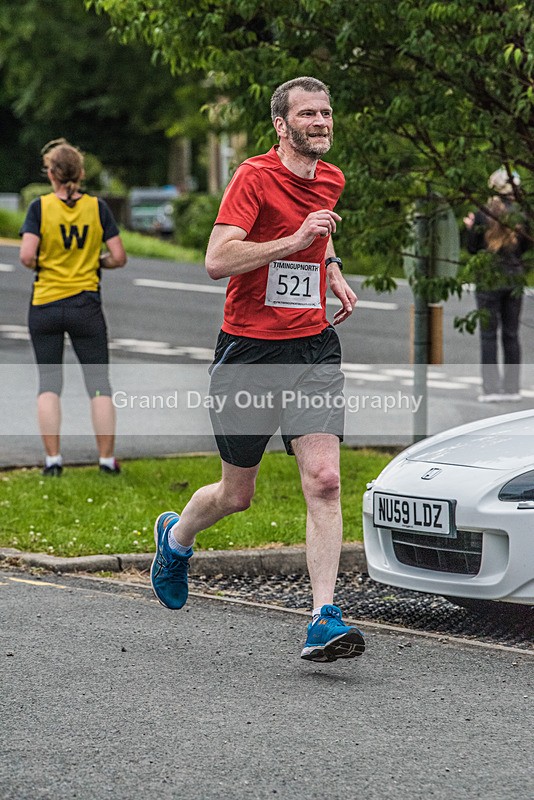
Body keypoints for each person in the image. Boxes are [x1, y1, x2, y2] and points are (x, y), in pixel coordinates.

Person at [151, 76, 366, 663]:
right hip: (249, 352)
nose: (321, 122)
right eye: (308, 114)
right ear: (281, 125)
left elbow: (319, 237)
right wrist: (294, 240)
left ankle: (323, 617)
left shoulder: (331, 178)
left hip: (312, 348)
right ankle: (177, 538)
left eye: (326, 112)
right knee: (236, 493)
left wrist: (331, 268)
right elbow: (217, 259)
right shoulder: (253, 177)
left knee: (325, 479)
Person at [19, 138, 127, 475]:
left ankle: (53, 460)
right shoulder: (97, 208)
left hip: (46, 304)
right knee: (99, 384)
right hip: (86, 306)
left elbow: (26, 256)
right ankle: (106, 460)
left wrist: (47, 263)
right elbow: (119, 256)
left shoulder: (39, 208)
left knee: (49, 384)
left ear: (51, 174)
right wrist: (96, 262)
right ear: (80, 174)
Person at [464, 167, 530, 402]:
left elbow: (472, 248)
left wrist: (470, 228)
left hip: (488, 279)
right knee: (511, 334)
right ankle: (512, 388)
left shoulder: (482, 214)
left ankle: (491, 388)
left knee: (488, 335)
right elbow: (526, 247)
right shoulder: (521, 215)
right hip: (514, 278)